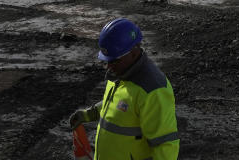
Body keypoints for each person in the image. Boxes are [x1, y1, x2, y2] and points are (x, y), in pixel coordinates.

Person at [68, 18, 179, 160]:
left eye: (114, 60)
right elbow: (119, 105)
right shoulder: (120, 73)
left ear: (133, 52)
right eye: (107, 61)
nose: (109, 66)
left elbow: (166, 146)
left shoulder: (153, 90)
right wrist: (90, 114)